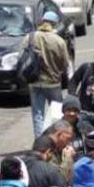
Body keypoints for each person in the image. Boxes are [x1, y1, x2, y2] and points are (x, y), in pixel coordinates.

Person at [29, 10, 70, 139]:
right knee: (56, 113)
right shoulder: (58, 41)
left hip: (34, 80)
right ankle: (56, 138)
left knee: (38, 113)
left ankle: (40, 141)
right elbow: (65, 63)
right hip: (53, 82)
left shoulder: (30, 37)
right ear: (55, 24)